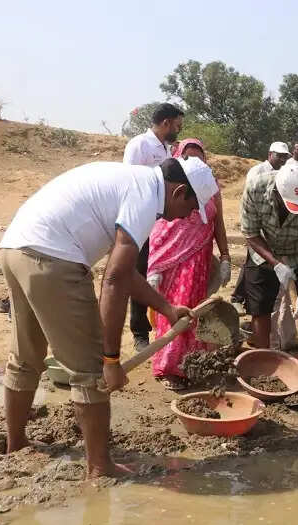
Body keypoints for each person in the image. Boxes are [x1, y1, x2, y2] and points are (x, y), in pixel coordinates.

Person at [0, 157, 217, 477]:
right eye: (191, 207)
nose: (189, 216)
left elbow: (125, 274)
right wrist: (110, 360)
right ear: (179, 191)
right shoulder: (145, 198)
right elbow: (114, 280)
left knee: (26, 356)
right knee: (90, 371)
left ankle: (15, 443)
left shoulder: (135, 181)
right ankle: (100, 468)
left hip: (16, 247)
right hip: (54, 257)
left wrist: (167, 309)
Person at [146, 139, 231, 390]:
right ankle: (170, 366)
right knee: (174, 309)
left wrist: (225, 257)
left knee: (197, 311)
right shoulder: (170, 193)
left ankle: (194, 363)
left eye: (199, 157)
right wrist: (155, 268)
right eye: (188, 157)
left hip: (201, 259)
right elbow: (159, 229)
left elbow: (219, 223)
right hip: (174, 261)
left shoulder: (210, 187)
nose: (194, 160)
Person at [241, 163, 298, 349]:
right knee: (260, 309)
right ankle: (264, 361)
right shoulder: (255, 189)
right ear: (278, 194)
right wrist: (276, 263)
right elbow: (250, 233)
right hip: (264, 252)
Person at [122, 103, 185, 352]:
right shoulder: (140, 145)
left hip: (162, 224)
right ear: (167, 122)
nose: (178, 131)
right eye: (177, 126)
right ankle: (140, 332)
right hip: (142, 222)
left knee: (157, 276)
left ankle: (160, 321)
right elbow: (129, 181)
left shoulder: (168, 149)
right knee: (138, 273)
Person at [231, 142, 292, 309]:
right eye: (279, 156)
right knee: (253, 259)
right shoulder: (257, 171)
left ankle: (244, 297)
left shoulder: (285, 173)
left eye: (284, 156)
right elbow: (250, 199)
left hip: (273, 226)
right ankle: (239, 297)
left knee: (257, 261)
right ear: (270, 154)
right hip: (257, 223)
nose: (282, 159)